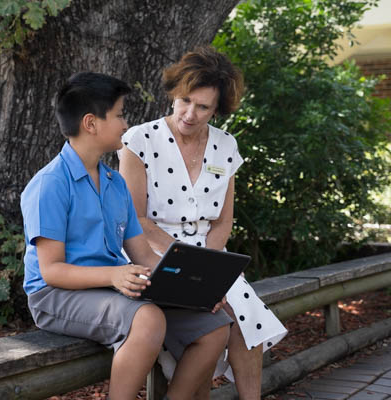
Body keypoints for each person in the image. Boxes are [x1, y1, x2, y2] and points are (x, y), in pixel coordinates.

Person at [21, 71, 233, 400]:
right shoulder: (50, 184)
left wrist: (196, 290)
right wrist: (115, 275)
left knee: (215, 325)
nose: (124, 124)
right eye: (119, 115)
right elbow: (51, 271)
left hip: (112, 287)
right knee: (147, 319)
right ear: (91, 123)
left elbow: (144, 256)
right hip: (54, 296)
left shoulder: (115, 183)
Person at [119, 47, 288, 400]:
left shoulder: (226, 146)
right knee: (222, 315)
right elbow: (135, 218)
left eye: (203, 107)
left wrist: (210, 268)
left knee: (244, 313)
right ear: (173, 94)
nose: (190, 114)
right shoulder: (140, 139)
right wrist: (188, 263)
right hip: (152, 252)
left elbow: (224, 221)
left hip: (210, 254)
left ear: (217, 109)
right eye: (184, 101)